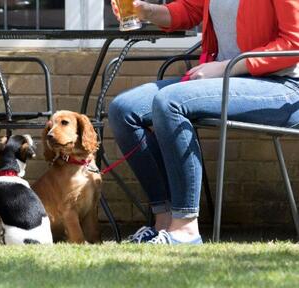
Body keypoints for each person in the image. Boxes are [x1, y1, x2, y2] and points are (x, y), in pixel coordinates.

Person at [109, 0, 299, 244]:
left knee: (171, 101)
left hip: (281, 87)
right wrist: (145, 11)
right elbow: (189, 10)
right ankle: (164, 222)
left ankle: (185, 229)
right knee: (124, 109)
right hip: (223, 79)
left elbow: (293, 44)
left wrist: (225, 67)